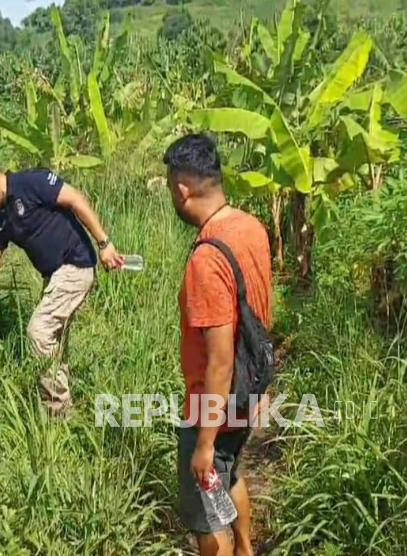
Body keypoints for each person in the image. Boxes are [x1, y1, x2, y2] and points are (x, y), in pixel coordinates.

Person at [164, 134, 271, 556]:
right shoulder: (249, 226)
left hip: (214, 405)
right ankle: (246, 549)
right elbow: (260, 312)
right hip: (247, 392)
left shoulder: (205, 259)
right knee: (228, 476)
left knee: (206, 512)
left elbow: (220, 360)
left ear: (181, 189)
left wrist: (204, 441)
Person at [0, 156, 124, 417]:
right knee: (54, 341)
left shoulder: (31, 182)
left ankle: (58, 414)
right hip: (54, 276)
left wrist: (104, 244)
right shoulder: (0, 220)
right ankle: (65, 407)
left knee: (39, 331)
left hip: (75, 264)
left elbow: (76, 199)